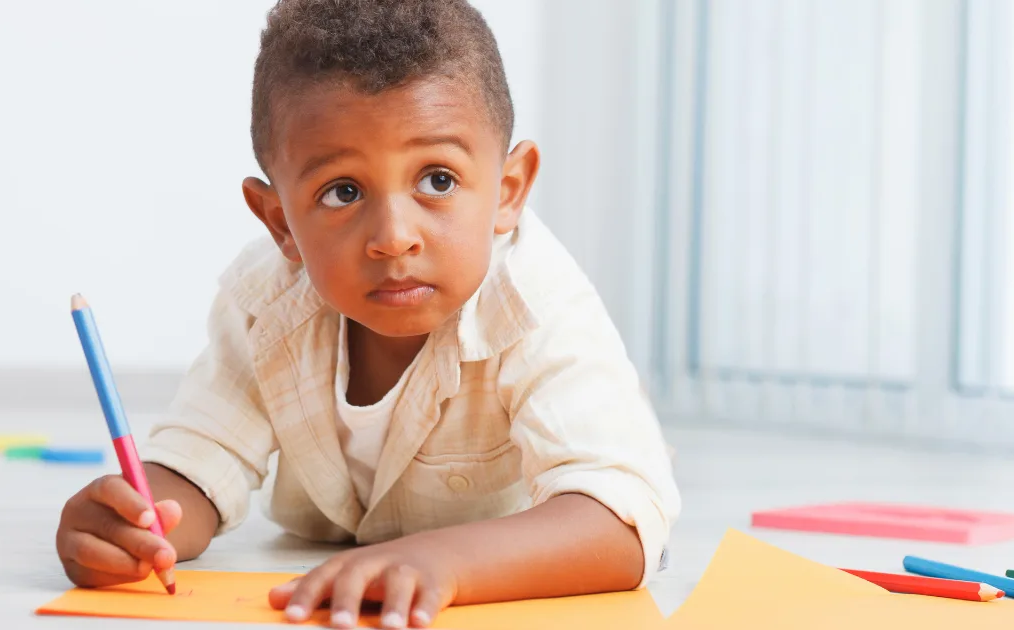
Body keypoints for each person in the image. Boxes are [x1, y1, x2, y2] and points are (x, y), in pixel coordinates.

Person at [55, 1, 680, 627]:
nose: (393, 237)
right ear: (280, 223)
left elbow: (622, 521)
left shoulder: (537, 303)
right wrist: (136, 525)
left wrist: (444, 562)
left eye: (437, 180)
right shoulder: (265, 300)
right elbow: (200, 460)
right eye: (343, 192)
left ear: (508, 191)